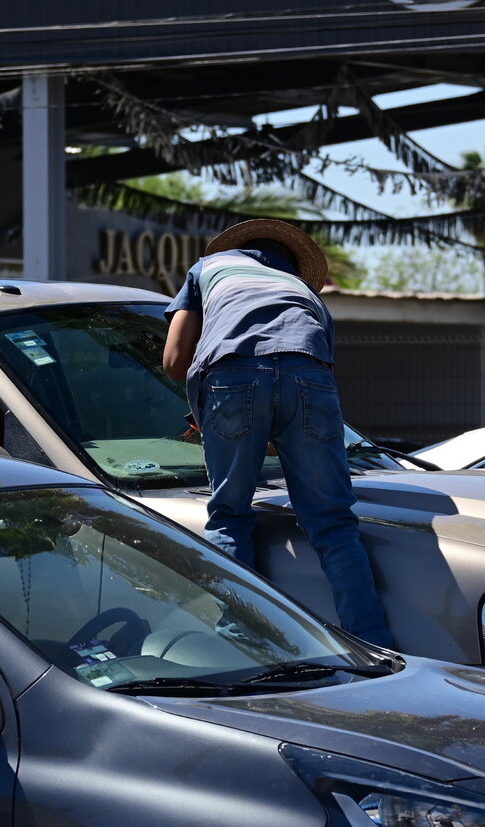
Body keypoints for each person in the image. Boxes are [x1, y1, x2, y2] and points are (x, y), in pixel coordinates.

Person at [162, 219, 395, 649]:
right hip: (308, 373)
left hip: (231, 374)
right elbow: (308, 379)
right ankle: (374, 643)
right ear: (291, 265)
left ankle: (242, 641)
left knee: (229, 516)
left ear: (238, 250)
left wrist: (216, 410)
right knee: (333, 523)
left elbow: (175, 362)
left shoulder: (207, 269)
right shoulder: (305, 293)